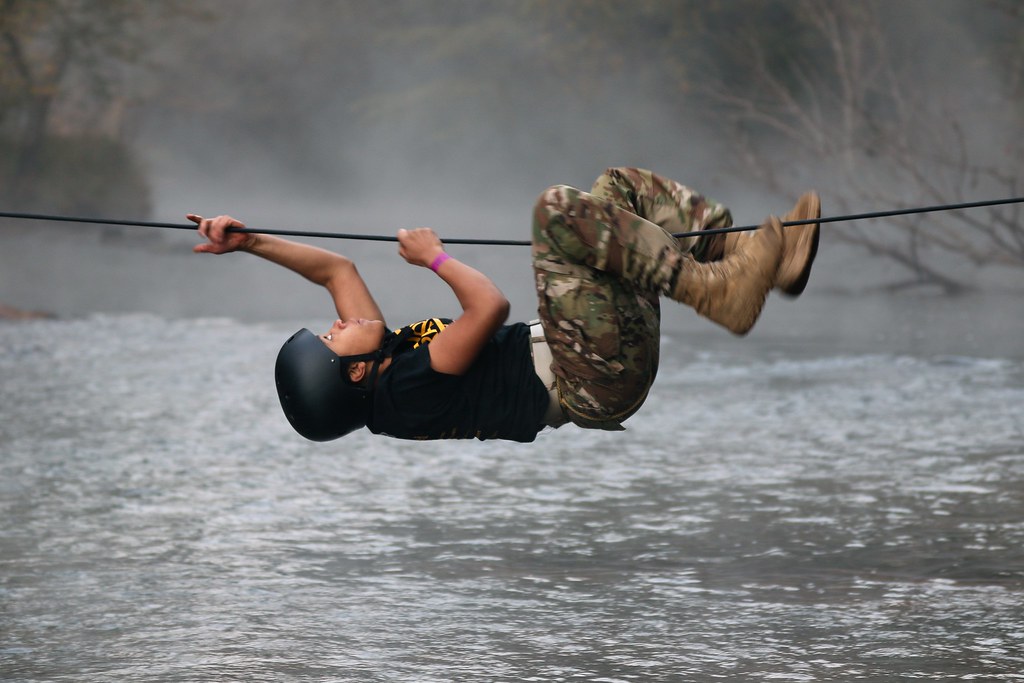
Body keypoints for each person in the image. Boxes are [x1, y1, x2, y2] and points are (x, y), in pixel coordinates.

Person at [190, 167, 819, 443]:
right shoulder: (404, 393)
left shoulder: (380, 362)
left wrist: (250, 242)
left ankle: (752, 258)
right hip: (591, 380)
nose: (338, 323)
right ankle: (723, 295)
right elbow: (488, 306)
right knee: (557, 213)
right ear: (354, 374)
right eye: (332, 339)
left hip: (589, 355)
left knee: (616, 191)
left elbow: (336, 269)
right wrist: (435, 259)